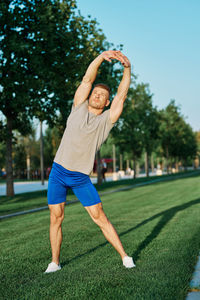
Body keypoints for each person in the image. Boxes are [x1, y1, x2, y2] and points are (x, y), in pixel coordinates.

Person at [45, 50, 136, 273]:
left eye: (101, 95)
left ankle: (125, 257)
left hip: (80, 177)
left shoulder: (107, 120)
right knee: (56, 217)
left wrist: (127, 69)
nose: (96, 95)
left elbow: (121, 96)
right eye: (95, 92)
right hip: (58, 171)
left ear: (106, 103)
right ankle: (55, 263)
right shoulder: (77, 107)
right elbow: (88, 78)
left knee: (99, 217)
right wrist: (101, 57)